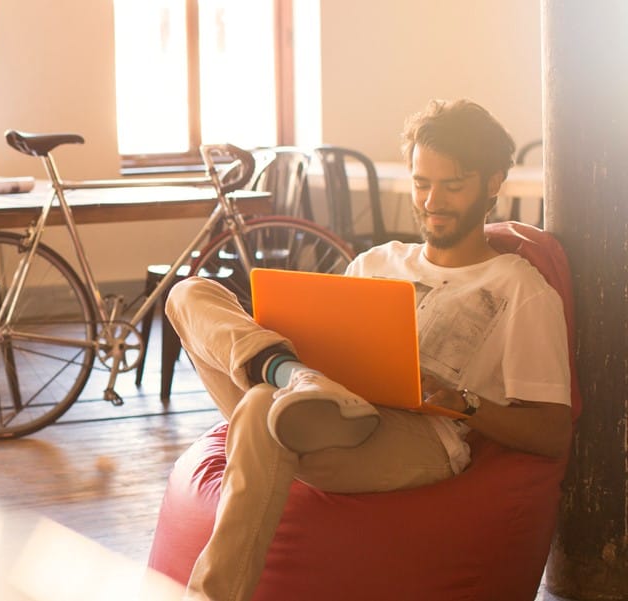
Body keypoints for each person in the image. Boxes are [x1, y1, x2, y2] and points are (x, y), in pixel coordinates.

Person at [166, 99, 572, 601]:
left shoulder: (519, 288)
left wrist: (459, 399)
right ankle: (292, 373)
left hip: (418, 436)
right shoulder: (375, 262)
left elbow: (553, 434)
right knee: (188, 294)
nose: (432, 201)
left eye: (453, 184)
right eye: (422, 184)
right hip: (325, 407)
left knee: (257, 407)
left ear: (492, 183)